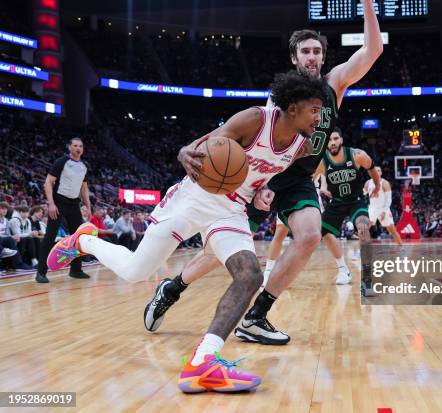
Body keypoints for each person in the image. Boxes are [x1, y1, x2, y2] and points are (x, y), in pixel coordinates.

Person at [47, 71, 326, 393]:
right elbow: (205, 143)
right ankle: (83, 240)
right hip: (194, 198)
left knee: (249, 275)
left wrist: (264, 191)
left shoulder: (301, 147)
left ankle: (202, 363)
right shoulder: (254, 119)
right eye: (314, 110)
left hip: (232, 210)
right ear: (292, 108)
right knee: (136, 271)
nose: (319, 118)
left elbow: (260, 175)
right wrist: (185, 150)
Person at [145, 0, 384, 344]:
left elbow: (373, 49)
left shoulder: (335, 84)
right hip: (265, 177)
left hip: (299, 179)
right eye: (305, 51)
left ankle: (256, 316)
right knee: (218, 251)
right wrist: (258, 187)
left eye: (317, 51)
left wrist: (367, 6)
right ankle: (173, 286)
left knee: (309, 234)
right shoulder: (280, 98)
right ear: (294, 58)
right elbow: (255, 147)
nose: (312, 57)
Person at [315, 128, 381, 289]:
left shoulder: (356, 155)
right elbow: (308, 180)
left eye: (335, 138)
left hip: (356, 201)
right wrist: (319, 189)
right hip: (336, 202)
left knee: (363, 228)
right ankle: (343, 269)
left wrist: (378, 185)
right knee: (320, 232)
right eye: (329, 140)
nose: (332, 143)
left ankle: (367, 278)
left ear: (341, 140)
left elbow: (371, 167)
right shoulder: (321, 162)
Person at [36, 137, 91, 283]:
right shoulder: (62, 162)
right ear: (69, 147)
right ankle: (41, 272)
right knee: (50, 236)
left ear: (83, 149)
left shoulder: (84, 166)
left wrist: (88, 206)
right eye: (75, 145)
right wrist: (51, 204)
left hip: (74, 205)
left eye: (80, 146)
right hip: (59, 203)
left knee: (77, 238)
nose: (78, 148)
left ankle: (76, 270)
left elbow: (84, 188)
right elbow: (48, 182)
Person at [364, 166, 403, 245]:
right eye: (375, 171)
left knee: (392, 231)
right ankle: (359, 251)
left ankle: (401, 248)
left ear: (381, 173)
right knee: (364, 228)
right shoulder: (368, 183)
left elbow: (389, 200)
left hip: (383, 208)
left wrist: (384, 212)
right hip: (372, 208)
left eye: (379, 170)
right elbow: (362, 194)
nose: (377, 172)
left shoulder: (385, 183)